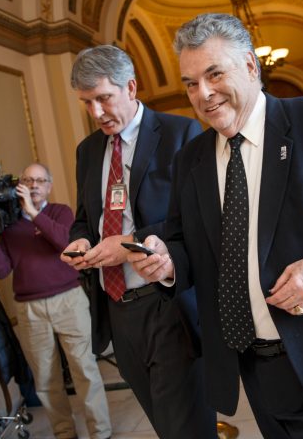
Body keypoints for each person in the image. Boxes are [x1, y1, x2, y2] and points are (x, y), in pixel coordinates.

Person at [128, 13, 303, 438]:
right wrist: (167, 263)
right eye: (190, 83)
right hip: (256, 368)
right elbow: (186, 242)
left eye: (214, 73)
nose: (202, 94)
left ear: (251, 66)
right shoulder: (191, 159)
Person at [60, 45, 217, 438]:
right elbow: (85, 219)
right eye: (86, 103)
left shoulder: (179, 133)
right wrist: (80, 242)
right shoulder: (88, 150)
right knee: (166, 427)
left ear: (130, 87)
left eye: (103, 98)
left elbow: (197, 221)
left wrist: (128, 242)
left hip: (168, 305)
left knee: (187, 429)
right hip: (117, 312)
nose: (96, 113)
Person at [0, 163, 111, 439]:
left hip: (69, 300)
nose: (35, 185)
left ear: (49, 186)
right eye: (28, 179)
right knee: (46, 379)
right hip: (30, 309)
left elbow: (66, 242)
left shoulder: (60, 212)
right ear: (21, 185)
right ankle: (65, 433)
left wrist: (32, 213)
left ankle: (101, 433)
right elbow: (2, 271)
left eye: (40, 180)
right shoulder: (9, 224)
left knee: (85, 370)